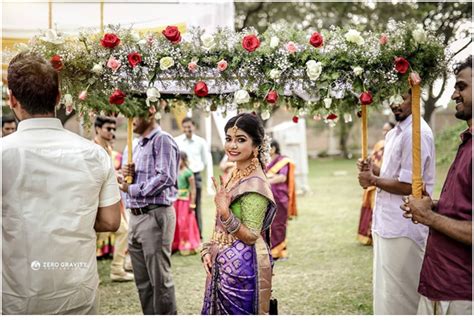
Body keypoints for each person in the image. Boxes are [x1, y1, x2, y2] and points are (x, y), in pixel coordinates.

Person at [2, 52, 121, 314]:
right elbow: (111, 221)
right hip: (77, 293)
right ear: (58, 97)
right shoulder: (95, 153)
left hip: (16, 296)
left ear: (12, 100)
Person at [401, 56, 472, 315]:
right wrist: (434, 205)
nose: (454, 93)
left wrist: (429, 216)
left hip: (462, 293)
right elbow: (463, 209)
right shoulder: (467, 141)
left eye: (462, 86)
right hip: (438, 283)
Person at [357, 91, 435, 315]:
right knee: (386, 293)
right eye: (391, 98)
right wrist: (373, 171)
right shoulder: (394, 134)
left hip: (405, 225)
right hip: (385, 221)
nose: (394, 104)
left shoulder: (416, 133)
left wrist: (373, 180)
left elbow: (412, 185)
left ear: (416, 96)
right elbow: (393, 174)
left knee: (403, 297)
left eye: (401, 97)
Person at [201, 113, 277, 315]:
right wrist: (208, 250)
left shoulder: (255, 184)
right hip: (221, 263)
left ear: (256, 146)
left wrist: (225, 212)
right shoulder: (235, 173)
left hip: (241, 269)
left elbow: (252, 235)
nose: (232, 145)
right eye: (229, 139)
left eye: (240, 140)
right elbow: (220, 226)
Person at [119, 105, 179, 315]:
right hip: (134, 216)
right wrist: (124, 175)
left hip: (154, 214)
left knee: (159, 280)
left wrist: (133, 188)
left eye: (133, 113)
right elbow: (124, 183)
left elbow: (166, 177)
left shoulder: (161, 140)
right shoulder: (133, 146)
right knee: (142, 282)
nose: (129, 119)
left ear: (150, 112)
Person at [93, 116, 134, 282]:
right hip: (94, 201)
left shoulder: (108, 148)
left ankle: (117, 269)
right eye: (108, 129)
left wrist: (117, 176)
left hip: (110, 200)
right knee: (92, 238)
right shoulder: (93, 149)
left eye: (113, 129)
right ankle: (90, 273)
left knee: (123, 230)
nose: (111, 132)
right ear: (97, 129)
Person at [357, 122, 395, 245]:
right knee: (372, 209)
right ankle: (371, 235)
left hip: (388, 183)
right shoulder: (379, 144)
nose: (384, 133)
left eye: (387, 130)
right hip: (374, 182)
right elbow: (374, 160)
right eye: (383, 130)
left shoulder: (394, 145)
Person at [174, 117, 209, 239]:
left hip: (195, 175)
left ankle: (198, 235)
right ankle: (184, 237)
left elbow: (204, 160)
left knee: (196, 206)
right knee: (180, 208)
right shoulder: (177, 141)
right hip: (181, 177)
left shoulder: (201, 142)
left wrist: (193, 170)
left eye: (189, 126)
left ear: (194, 127)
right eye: (184, 127)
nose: (187, 129)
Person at [265, 140, 297, 260]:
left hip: (280, 197)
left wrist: (267, 180)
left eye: (267, 148)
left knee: (279, 225)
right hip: (266, 196)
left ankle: (280, 252)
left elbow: (282, 177)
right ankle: (270, 251)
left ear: (273, 148)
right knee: (268, 225)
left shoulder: (283, 160)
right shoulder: (265, 161)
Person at [172, 151, 201, 255]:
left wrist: (192, 203)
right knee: (175, 223)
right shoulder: (174, 171)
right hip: (175, 201)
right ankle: (175, 244)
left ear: (184, 160)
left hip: (184, 201)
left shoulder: (188, 172)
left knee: (184, 222)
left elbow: (193, 189)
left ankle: (187, 245)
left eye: (179, 159)